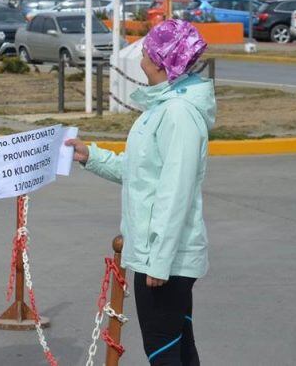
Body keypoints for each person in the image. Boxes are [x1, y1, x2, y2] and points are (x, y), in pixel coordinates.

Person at [66, 19, 214, 365]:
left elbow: (174, 193)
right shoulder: (165, 107)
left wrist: (159, 262)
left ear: (163, 63)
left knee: (162, 349)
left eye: (147, 53)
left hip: (166, 259)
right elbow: (141, 171)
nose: (142, 58)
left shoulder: (178, 115)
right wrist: (92, 156)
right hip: (159, 255)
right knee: (178, 346)